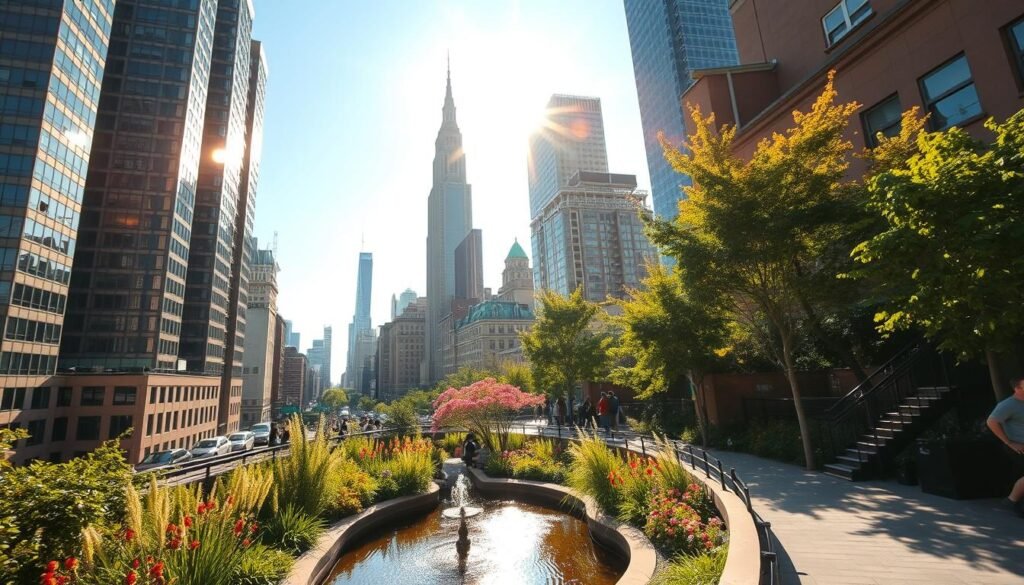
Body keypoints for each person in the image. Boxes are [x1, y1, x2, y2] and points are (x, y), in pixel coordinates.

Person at [987, 377, 1024, 517]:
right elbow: (991, 422)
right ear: (1018, 388)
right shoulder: (1008, 405)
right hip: (1018, 447)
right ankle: (1011, 500)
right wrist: (1009, 442)